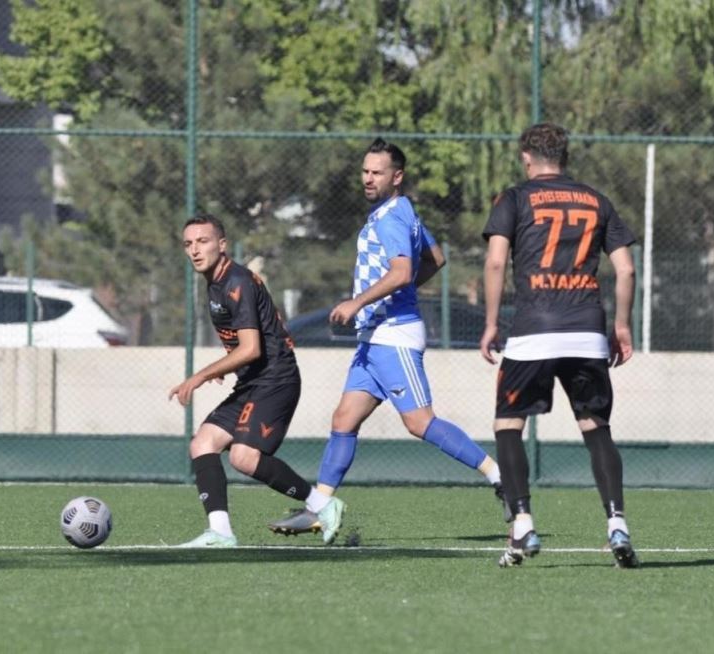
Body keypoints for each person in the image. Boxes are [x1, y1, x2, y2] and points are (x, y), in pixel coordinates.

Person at [269, 137, 509, 537]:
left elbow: (402, 272)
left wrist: (358, 301)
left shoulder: (392, 217)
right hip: (374, 338)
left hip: (394, 336)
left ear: (397, 177)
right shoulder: (397, 211)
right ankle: (321, 507)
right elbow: (436, 258)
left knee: (419, 421)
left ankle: (500, 476)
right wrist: (391, 294)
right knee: (344, 418)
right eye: (365, 171)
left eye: (377, 173)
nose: (368, 178)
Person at [480, 123, 639, 568]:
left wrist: (490, 323)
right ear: (565, 158)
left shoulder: (514, 199)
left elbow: (496, 262)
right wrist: (621, 326)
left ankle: (523, 523)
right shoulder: (597, 200)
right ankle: (617, 524)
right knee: (595, 427)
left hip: (534, 328)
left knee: (508, 424)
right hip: (586, 329)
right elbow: (626, 270)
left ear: (526, 158)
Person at [169, 214, 345, 547]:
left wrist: (202, 375)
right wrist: (226, 366)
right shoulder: (215, 282)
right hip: (253, 381)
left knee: (243, 457)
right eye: (188, 244)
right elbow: (246, 345)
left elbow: (251, 349)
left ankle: (322, 505)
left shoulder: (236, 282)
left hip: (276, 379)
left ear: (222, 245)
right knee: (202, 444)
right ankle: (220, 533)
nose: (194, 250)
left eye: (203, 241)